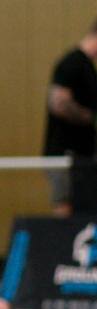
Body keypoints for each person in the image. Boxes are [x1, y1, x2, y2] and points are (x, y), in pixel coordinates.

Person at [43, 18, 97, 217]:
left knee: (83, 210)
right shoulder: (71, 64)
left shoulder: (89, 69)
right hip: (63, 156)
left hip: (82, 158)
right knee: (64, 210)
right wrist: (91, 118)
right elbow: (59, 104)